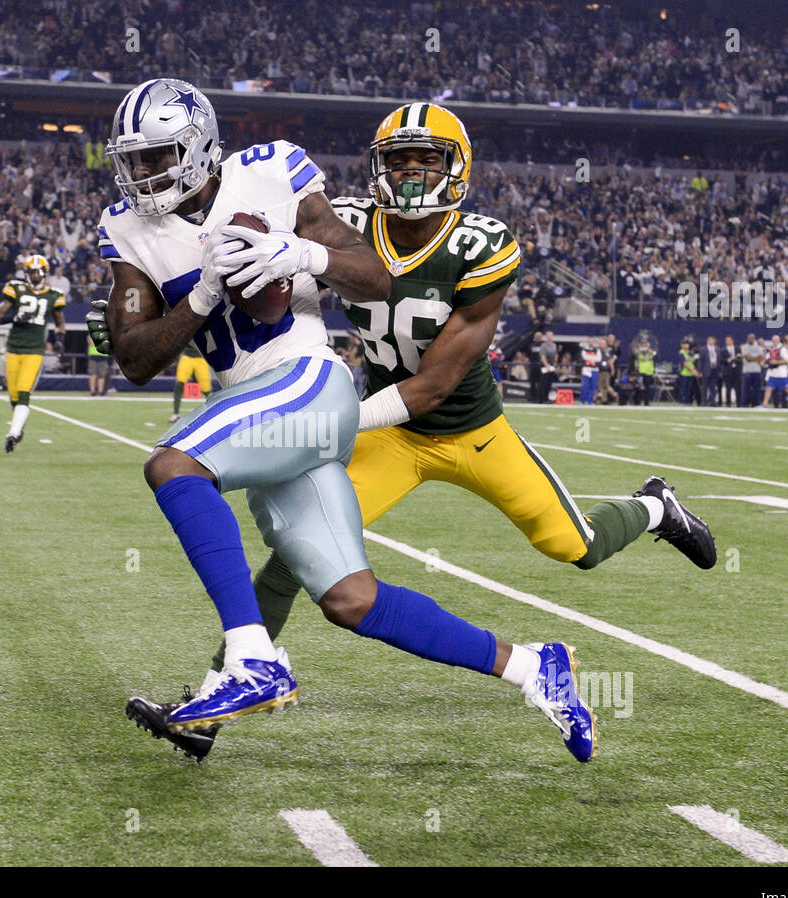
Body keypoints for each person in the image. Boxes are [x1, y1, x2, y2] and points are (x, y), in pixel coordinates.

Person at [88, 84, 599, 764]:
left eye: (158, 155)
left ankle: (250, 658)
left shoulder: (271, 170)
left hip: (306, 382)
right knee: (351, 599)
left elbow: (374, 276)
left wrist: (303, 254)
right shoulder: (127, 229)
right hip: (259, 406)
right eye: (134, 159)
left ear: (199, 146)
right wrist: (206, 295)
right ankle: (535, 668)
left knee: (175, 464)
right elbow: (135, 358)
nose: (143, 173)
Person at [0, 254, 65, 452]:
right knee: (14, 396)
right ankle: (18, 428)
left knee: (24, 393)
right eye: (31, 271)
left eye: (37, 272)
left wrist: (59, 339)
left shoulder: (54, 295)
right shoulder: (16, 288)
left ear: (44, 273)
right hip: (13, 349)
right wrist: (15, 318)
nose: (34, 275)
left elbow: (60, 322)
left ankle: (13, 434)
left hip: (34, 350)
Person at [169, 343, 212, 421]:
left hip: (201, 358)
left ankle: (214, 411)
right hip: (187, 357)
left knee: (206, 389)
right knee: (180, 383)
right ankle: (176, 414)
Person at [761, 333, 788, 409]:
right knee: (768, 388)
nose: (774, 341)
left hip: (781, 374)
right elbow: (768, 359)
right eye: (773, 340)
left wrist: (776, 362)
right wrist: (764, 362)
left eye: (776, 340)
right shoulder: (771, 349)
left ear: (779, 340)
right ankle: (764, 404)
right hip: (773, 373)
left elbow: (786, 360)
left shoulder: (782, 349)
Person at [87, 323, 112, 397]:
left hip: (103, 357)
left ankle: (101, 392)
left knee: (102, 375)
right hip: (93, 357)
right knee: (93, 375)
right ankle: (92, 391)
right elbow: (91, 342)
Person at [740, 333, 764, 408]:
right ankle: (744, 404)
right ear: (747, 339)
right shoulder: (744, 347)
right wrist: (756, 359)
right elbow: (747, 357)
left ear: (754, 339)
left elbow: (761, 358)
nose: (751, 339)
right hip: (747, 371)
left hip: (757, 371)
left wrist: (753, 358)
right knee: (746, 389)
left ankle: (756, 404)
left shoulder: (759, 347)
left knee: (756, 389)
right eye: (749, 338)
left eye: (752, 338)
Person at [699, 335, 722, 406]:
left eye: (712, 340)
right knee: (705, 387)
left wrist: (720, 371)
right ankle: (704, 401)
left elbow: (719, 361)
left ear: (714, 341)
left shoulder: (717, 349)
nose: (710, 341)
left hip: (715, 369)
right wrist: (700, 371)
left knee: (713, 387)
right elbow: (701, 361)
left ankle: (712, 401)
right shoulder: (703, 349)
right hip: (706, 370)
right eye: (709, 340)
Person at [536, 329, 557, 403]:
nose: (549, 337)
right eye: (548, 335)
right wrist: (547, 366)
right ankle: (541, 399)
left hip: (551, 366)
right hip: (544, 366)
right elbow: (543, 357)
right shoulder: (543, 345)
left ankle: (546, 398)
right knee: (543, 383)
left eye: (550, 335)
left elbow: (556, 354)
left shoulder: (554, 345)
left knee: (549, 383)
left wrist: (555, 363)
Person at [579, 335, 601, 405]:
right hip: (586, 369)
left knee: (593, 386)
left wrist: (589, 357)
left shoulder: (597, 350)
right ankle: (582, 400)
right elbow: (584, 357)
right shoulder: (584, 349)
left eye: (592, 341)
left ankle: (590, 401)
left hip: (595, 369)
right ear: (588, 341)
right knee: (585, 385)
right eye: (590, 341)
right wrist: (593, 357)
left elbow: (599, 359)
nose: (591, 342)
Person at [634, 336, 656, 405]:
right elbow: (634, 360)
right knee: (638, 386)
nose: (644, 346)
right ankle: (637, 401)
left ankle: (647, 402)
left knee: (647, 388)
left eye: (645, 344)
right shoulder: (637, 352)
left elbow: (656, 358)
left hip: (648, 372)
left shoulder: (651, 352)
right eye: (642, 344)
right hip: (640, 372)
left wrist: (649, 351)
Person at [721, 334, 741, 407]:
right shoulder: (723, 350)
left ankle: (739, 403)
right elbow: (721, 361)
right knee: (728, 389)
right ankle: (728, 403)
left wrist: (735, 358)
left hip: (737, 372)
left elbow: (740, 359)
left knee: (738, 388)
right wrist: (729, 359)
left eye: (729, 340)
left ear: (732, 341)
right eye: (726, 341)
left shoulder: (737, 349)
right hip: (728, 372)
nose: (727, 342)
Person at [677, 340, 698, 405]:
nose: (685, 346)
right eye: (684, 344)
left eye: (687, 344)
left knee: (689, 389)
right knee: (683, 388)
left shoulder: (690, 352)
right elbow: (685, 363)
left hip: (690, 374)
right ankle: (681, 401)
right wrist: (693, 370)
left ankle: (687, 401)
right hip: (684, 373)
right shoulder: (681, 352)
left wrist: (695, 358)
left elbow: (691, 361)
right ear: (681, 345)